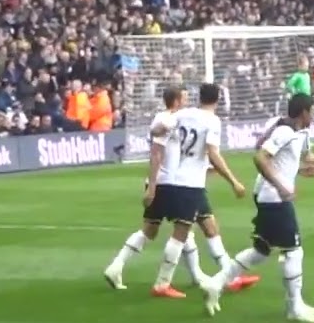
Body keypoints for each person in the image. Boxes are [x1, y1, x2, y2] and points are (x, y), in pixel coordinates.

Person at [103, 84, 254, 296]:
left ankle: (207, 275)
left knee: (188, 228)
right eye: (182, 97)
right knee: (182, 231)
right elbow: (200, 151)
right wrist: (233, 180)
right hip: (179, 183)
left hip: (178, 181)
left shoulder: (179, 116)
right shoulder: (203, 119)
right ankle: (165, 282)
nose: (185, 100)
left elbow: (156, 132)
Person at [201, 93, 314, 323]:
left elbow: (304, 155)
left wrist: (309, 167)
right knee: (293, 250)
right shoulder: (284, 131)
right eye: (313, 111)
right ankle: (294, 307)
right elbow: (260, 157)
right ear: (304, 112)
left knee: (261, 251)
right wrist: (280, 185)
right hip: (273, 197)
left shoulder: (301, 132)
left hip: (269, 195)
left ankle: (215, 283)